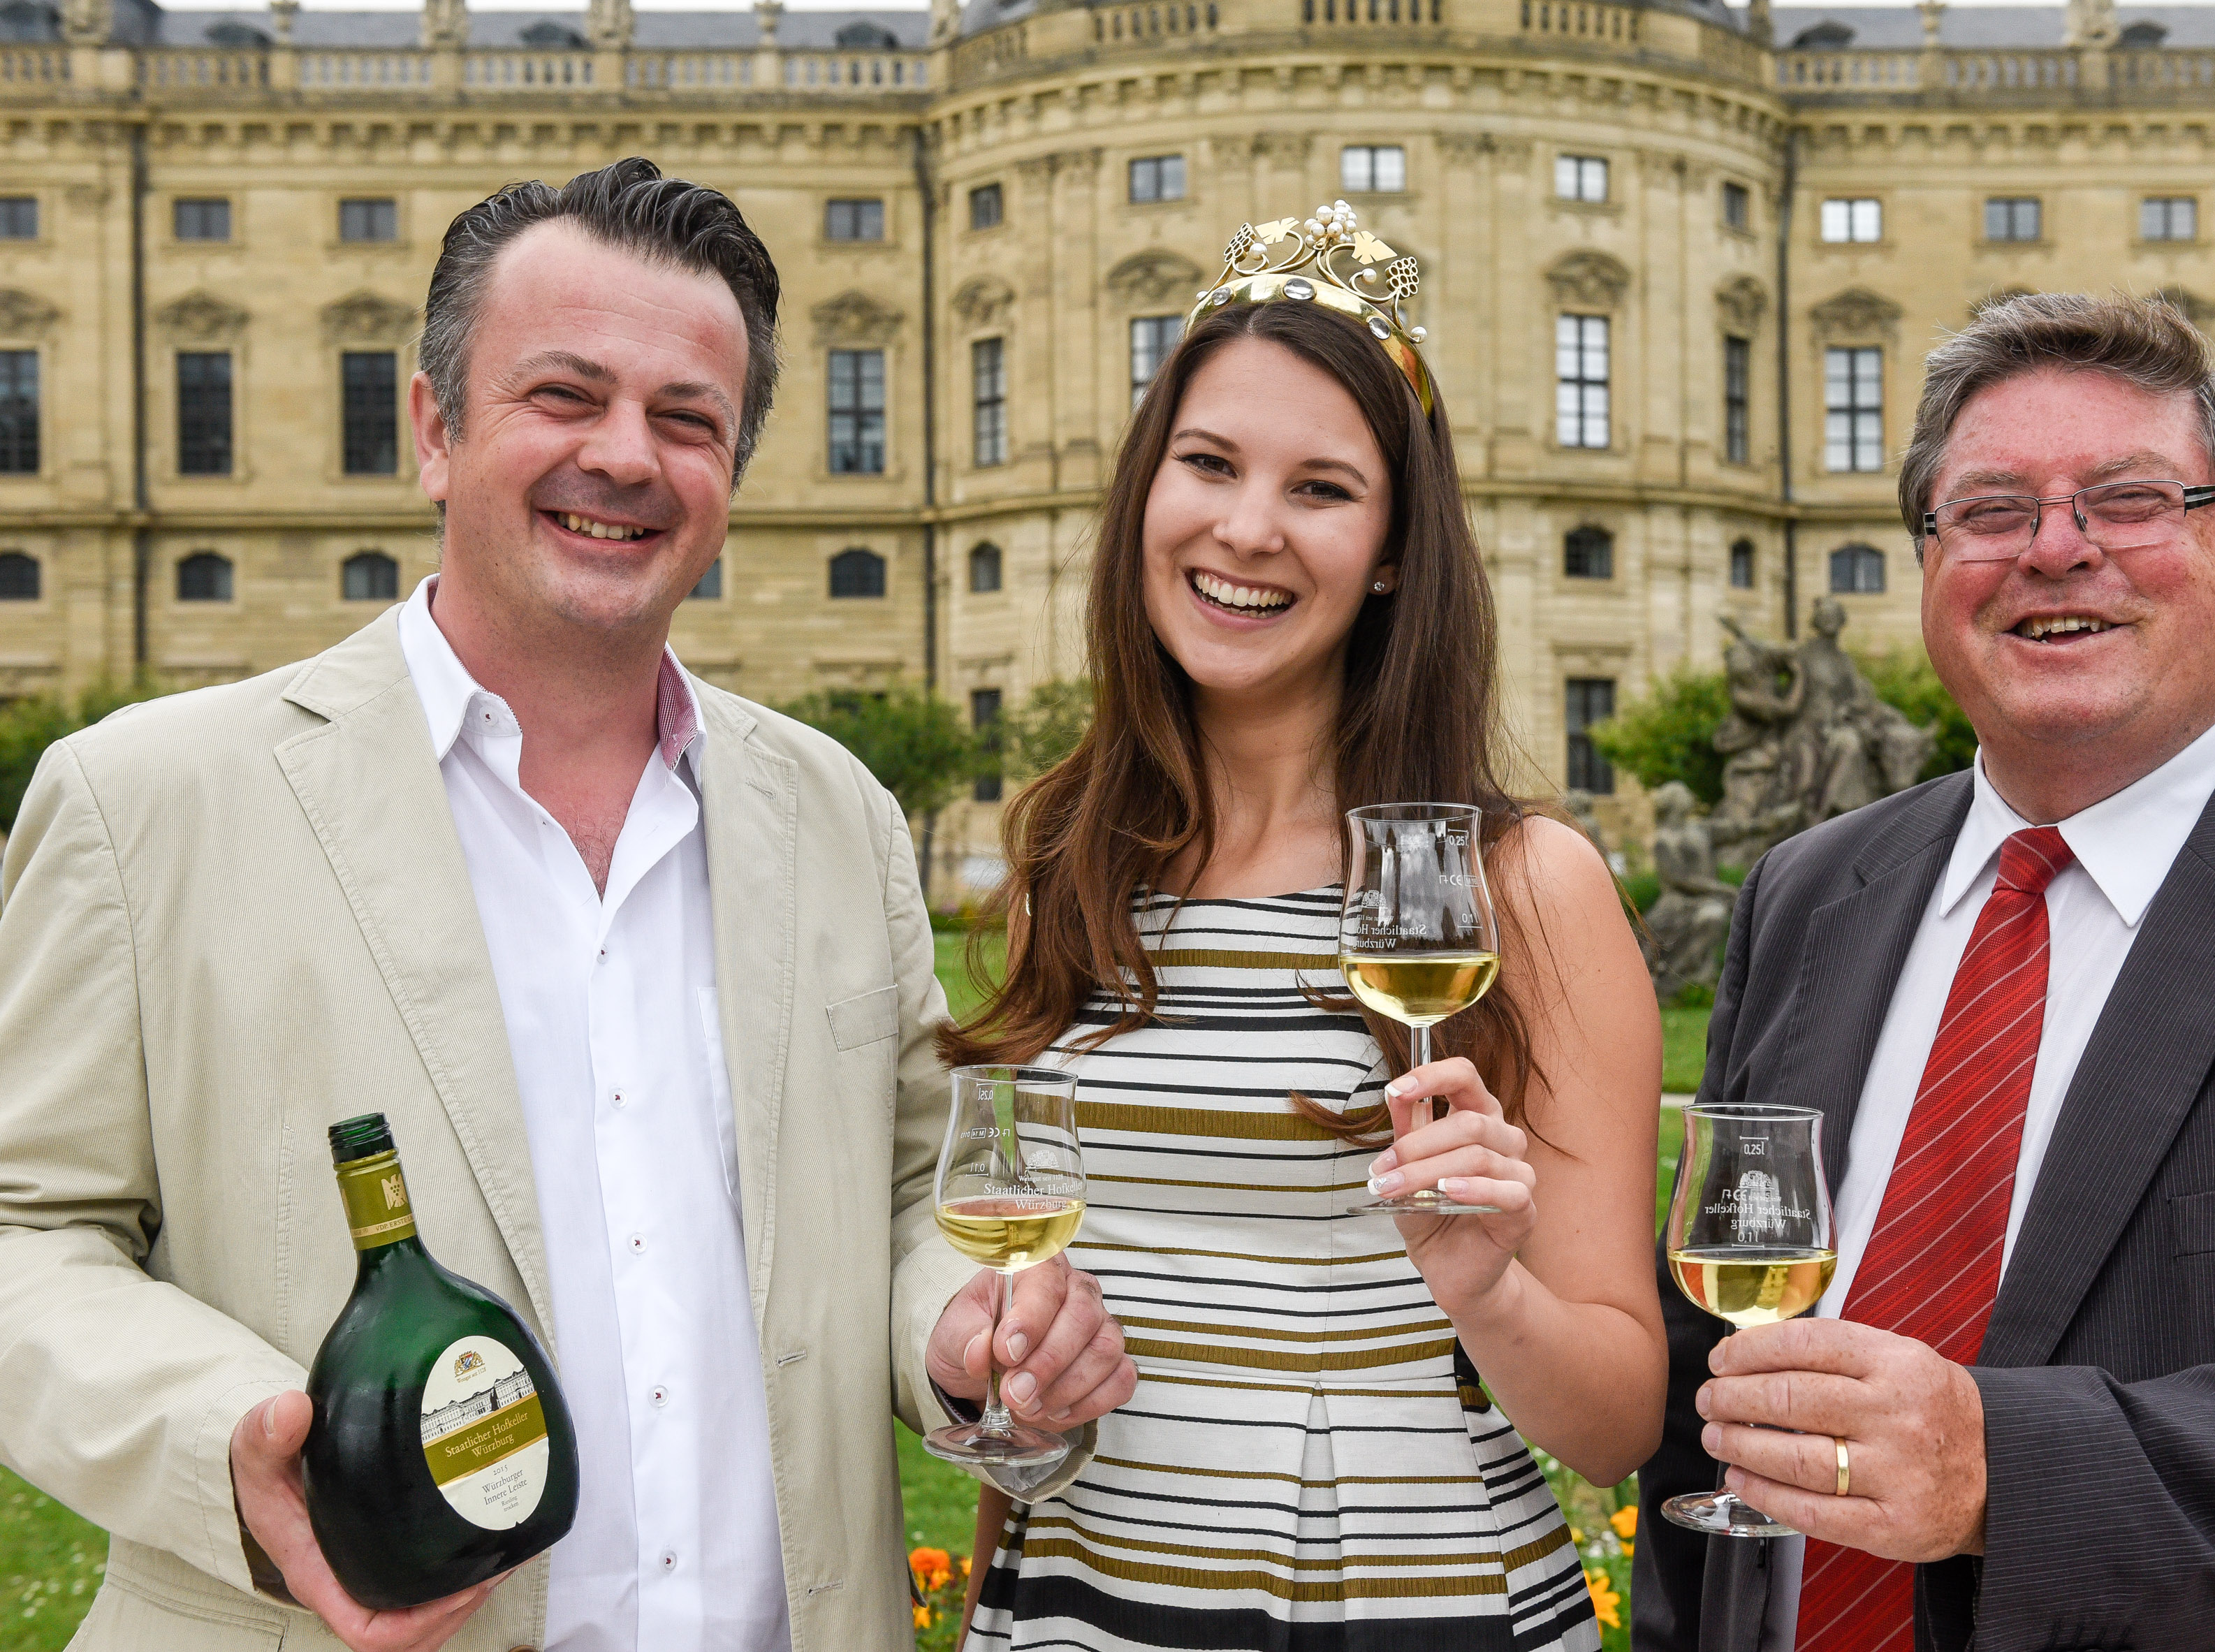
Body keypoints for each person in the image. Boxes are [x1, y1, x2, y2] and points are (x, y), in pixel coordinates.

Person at [0, 159, 1134, 1652]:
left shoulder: (838, 813)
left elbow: (912, 1201)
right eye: (563, 395)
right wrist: (232, 1437)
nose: (625, 456)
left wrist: (966, 1332)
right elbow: (24, 1233)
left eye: (686, 418)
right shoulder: (145, 801)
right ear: (432, 427)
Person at [1632, 292, 2215, 1650]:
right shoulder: (1807, 890)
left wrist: (1997, 1472)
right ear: (1925, 563)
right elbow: (1711, 1383)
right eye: (1988, 510)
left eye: (2128, 499)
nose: (2055, 550)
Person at [939, 203, 1669, 1651]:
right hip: (1078, 1602)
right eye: (1206, 464)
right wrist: (990, 1412)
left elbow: (1617, 1421)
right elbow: (1029, 1303)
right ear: (1145, 493)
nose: (1245, 528)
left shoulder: (1523, 887)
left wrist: (1483, 1288)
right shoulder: (1066, 863)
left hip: (1402, 1601)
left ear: (1393, 550)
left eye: (1321, 488)